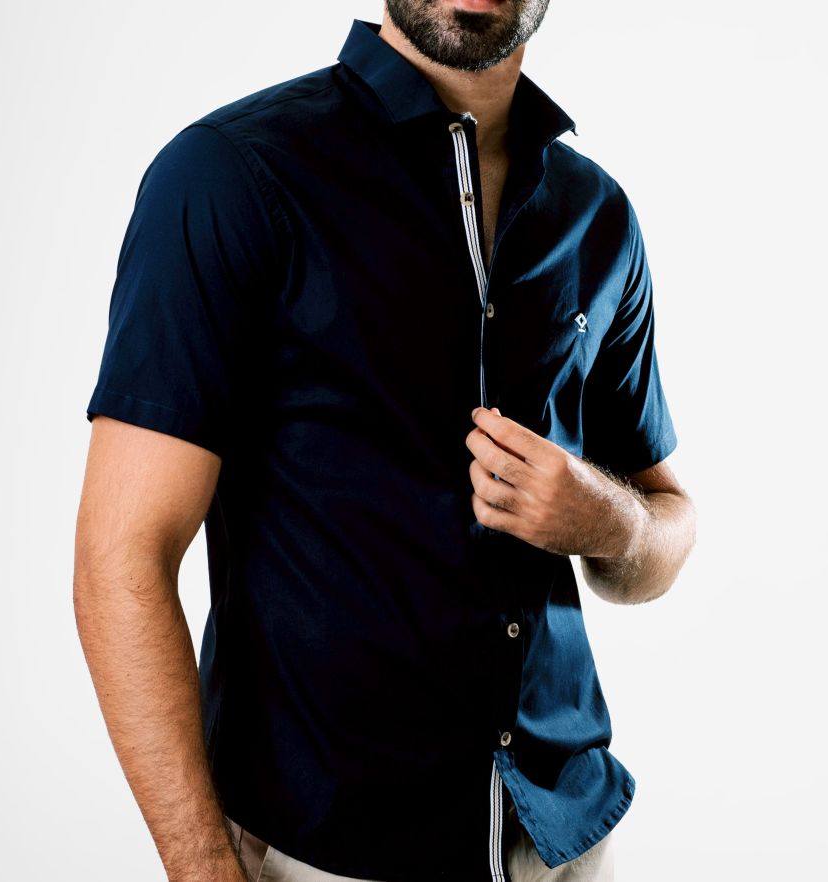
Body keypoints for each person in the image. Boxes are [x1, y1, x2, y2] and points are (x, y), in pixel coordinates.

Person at [74, 2, 697, 881]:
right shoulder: (230, 174)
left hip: (562, 840)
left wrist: (601, 518)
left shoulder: (597, 217)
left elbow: (667, 526)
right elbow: (120, 561)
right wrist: (202, 866)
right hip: (325, 846)